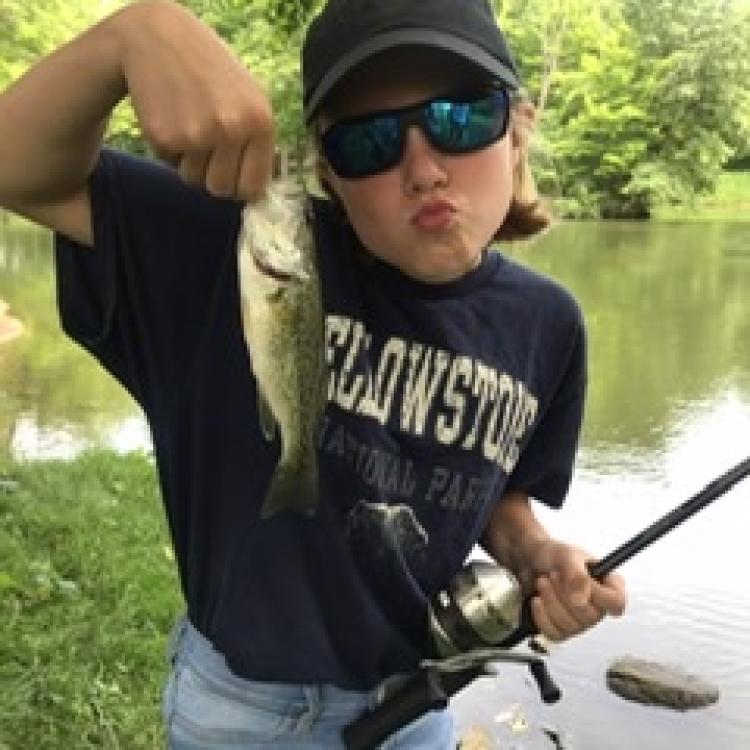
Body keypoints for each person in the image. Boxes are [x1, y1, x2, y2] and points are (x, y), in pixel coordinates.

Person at [0, 0, 628, 747]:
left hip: (415, 708)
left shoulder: (549, 325)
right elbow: (21, 169)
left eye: (461, 120)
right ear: (329, 172)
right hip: (240, 715)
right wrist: (132, 35)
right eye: (371, 142)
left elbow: (498, 493)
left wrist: (536, 555)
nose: (424, 169)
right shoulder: (239, 251)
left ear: (518, 126)